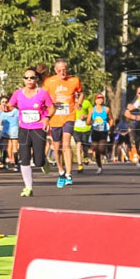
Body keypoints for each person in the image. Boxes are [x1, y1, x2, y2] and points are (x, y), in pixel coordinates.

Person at [8, 67, 55, 197]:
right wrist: (5, 107)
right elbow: (10, 105)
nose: (29, 80)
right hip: (24, 128)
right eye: (27, 78)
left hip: (38, 128)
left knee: (38, 161)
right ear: (23, 80)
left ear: (37, 79)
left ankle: (43, 162)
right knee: (25, 158)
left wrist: (47, 118)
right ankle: (28, 187)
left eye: (32, 77)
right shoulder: (18, 93)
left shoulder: (42, 93)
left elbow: (51, 107)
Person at [42, 59, 82, 188]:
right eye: (59, 70)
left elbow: (80, 93)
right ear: (55, 70)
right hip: (54, 118)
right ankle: (61, 171)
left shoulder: (74, 80)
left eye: (64, 69)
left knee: (66, 144)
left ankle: (69, 174)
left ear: (67, 69)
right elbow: (42, 98)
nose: (62, 72)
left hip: (69, 116)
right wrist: (46, 116)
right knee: (56, 147)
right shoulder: (49, 82)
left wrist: (79, 102)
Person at [89, 93, 111, 174]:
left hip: (103, 132)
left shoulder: (106, 109)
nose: (100, 100)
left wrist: (110, 125)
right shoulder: (92, 110)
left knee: (101, 148)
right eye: (98, 99)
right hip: (95, 131)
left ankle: (104, 152)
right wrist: (91, 122)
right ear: (95, 100)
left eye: (101, 98)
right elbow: (88, 121)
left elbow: (111, 119)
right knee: (95, 148)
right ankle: (99, 166)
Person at [71, 90, 92, 173]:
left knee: (85, 146)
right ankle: (80, 165)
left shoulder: (86, 102)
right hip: (75, 128)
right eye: (74, 93)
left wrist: (85, 116)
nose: (76, 94)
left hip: (85, 128)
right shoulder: (71, 103)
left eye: (78, 93)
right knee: (78, 145)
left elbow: (91, 113)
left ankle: (86, 156)